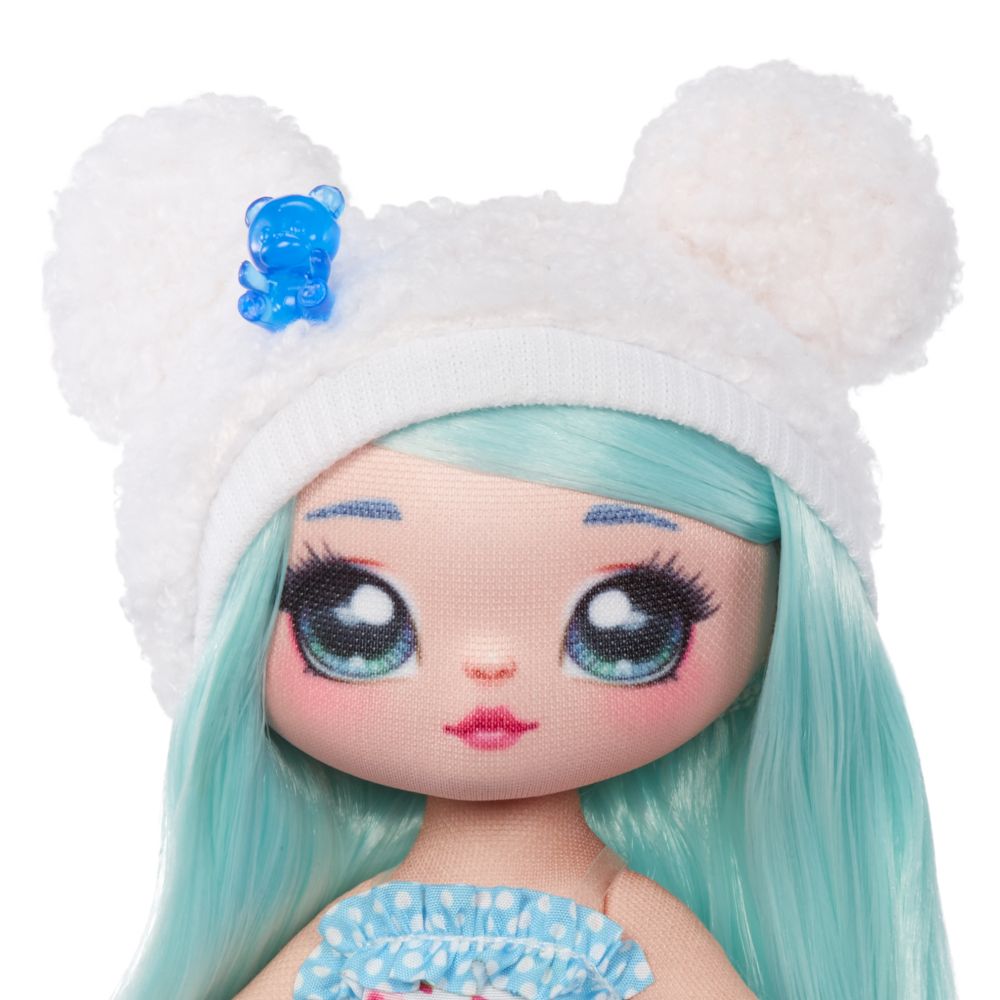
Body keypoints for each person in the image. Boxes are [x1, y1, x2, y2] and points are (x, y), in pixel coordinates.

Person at [43, 61, 959, 999]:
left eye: (627, 622)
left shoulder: (621, 919)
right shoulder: (360, 930)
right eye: (354, 620)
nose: (488, 667)